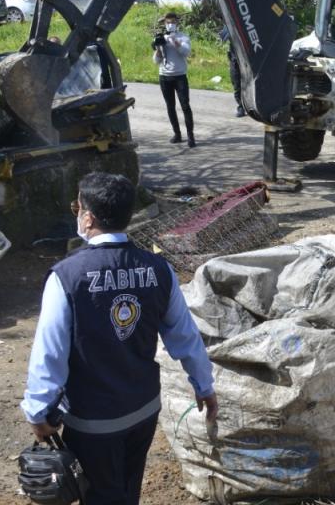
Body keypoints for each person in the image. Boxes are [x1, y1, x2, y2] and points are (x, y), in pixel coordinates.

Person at [22, 172, 217, 505]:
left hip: (92, 419)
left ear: (87, 216)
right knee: (128, 489)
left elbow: (50, 352)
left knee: (100, 495)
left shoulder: (67, 277)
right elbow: (185, 336)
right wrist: (204, 385)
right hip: (143, 409)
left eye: (77, 207)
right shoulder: (159, 269)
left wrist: (38, 411)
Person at [153, 12, 196, 146]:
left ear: (177, 23)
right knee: (170, 106)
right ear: (164, 23)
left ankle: (190, 136)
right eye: (168, 22)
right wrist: (158, 49)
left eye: (173, 22)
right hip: (164, 77)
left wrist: (174, 41)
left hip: (180, 76)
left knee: (185, 106)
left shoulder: (183, 37)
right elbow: (156, 61)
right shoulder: (161, 38)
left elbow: (186, 52)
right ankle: (177, 134)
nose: (170, 24)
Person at [218, 24, 245, 117]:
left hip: (248, 60)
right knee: (237, 84)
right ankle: (241, 106)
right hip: (235, 60)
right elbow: (223, 37)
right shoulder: (230, 21)